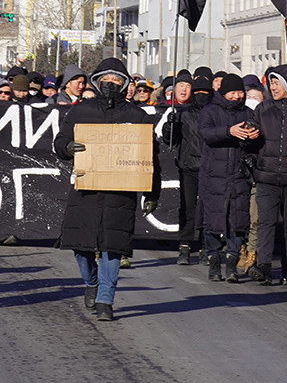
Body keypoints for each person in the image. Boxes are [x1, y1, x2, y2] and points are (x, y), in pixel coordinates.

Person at [54, 58, 155, 322]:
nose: (111, 84)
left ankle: (105, 300)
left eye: (117, 80)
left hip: (120, 193)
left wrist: (152, 193)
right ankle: (91, 282)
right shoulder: (80, 111)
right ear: (97, 81)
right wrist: (67, 148)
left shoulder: (137, 116)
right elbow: (60, 140)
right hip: (86, 190)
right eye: (106, 80)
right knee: (81, 247)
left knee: (113, 246)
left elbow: (150, 157)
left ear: (125, 84)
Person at [197, 73, 259, 282]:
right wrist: (228, 131)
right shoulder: (210, 111)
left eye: (240, 92)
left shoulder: (249, 113)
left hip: (239, 175)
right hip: (213, 175)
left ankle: (232, 265)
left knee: (237, 220)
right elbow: (205, 133)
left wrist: (253, 138)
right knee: (212, 220)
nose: (236, 96)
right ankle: (214, 263)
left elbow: (255, 143)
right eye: (232, 92)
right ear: (224, 93)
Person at [248, 65, 287, 286]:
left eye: (277, 82)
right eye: (271, 83)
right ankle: (263, 266)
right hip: (266, 176)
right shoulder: (263, 109)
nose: (273, 87)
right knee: (265, 223)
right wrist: (249, 137)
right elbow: (251, 139)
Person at [160, 71, 204, 264]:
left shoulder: (213, 113)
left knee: (206, 208)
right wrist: (170, 126)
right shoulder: (182, 113)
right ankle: (185, 246)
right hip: (187, 166)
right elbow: (170, 140)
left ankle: (205, 245)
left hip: (209, 168)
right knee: (187, 206)